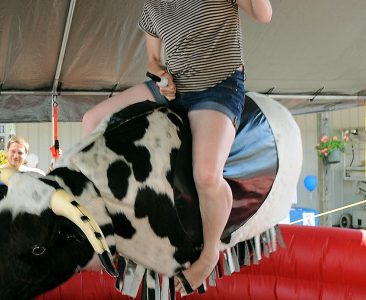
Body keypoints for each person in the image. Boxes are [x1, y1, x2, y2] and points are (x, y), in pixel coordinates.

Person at [81, 0, 272, 292]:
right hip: (175, 88)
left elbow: (263, 14)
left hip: (218, 87)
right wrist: (161, 76)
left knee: (206, 175)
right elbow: (152, 60)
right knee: (92, 120)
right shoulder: (152, 7)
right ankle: (100, 222)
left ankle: (208, 255)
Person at [0, 136, 45, 223]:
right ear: (7, 152)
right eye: (13, 151)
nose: (16, 156)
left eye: (20, 153)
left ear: (26, 155)